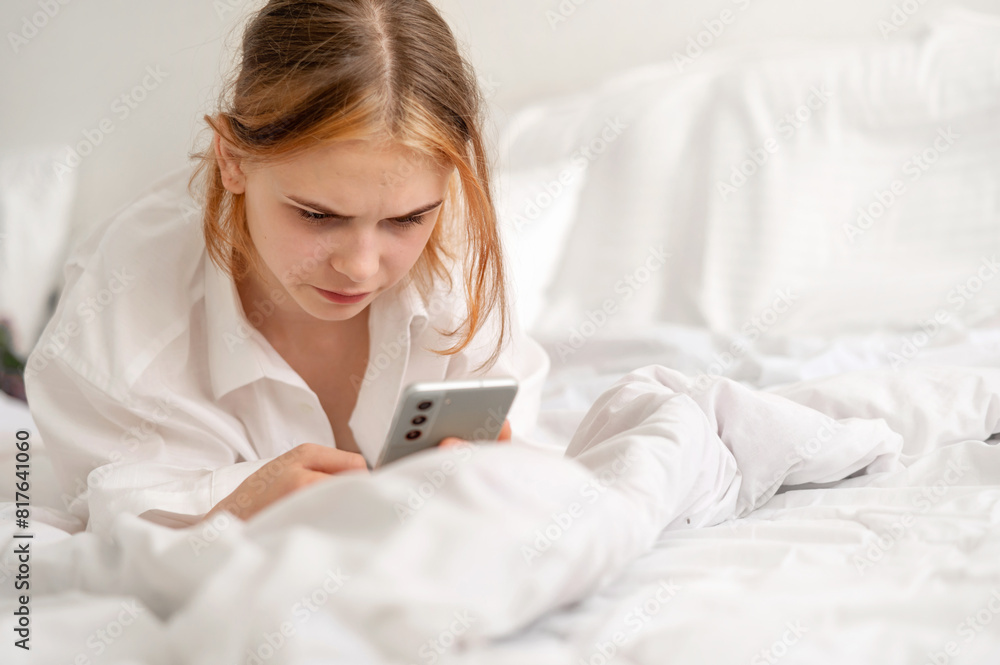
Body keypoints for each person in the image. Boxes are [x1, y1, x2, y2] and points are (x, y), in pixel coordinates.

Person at [24, 0, 549, 535]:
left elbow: (515, 420)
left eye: (406, 219)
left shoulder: (459, 262)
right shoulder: (121, 314)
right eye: (318, 215)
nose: (361, 268)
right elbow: (116, 530)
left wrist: (497, 473)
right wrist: (225, 512)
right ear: (232, 159)